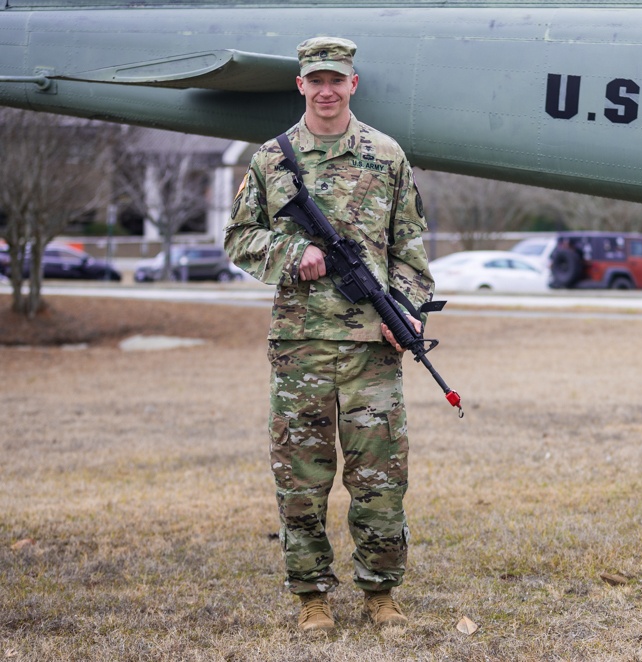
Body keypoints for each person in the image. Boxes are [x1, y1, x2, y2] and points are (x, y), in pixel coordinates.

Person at [224, 36, 434, 633]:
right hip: (302, 349)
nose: (325, 90)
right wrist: (293, 253)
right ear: (300, 85)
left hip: (374, 349)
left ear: (352, 84)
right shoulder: (272, 159)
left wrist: (408, 310)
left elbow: (410, 249)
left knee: (380, 481)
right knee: (301, 478)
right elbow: (239, 239)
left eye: (335, 79)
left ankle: (380, 593)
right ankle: (311, 596)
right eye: (315, 79)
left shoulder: (387, 155)